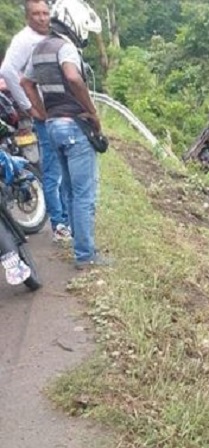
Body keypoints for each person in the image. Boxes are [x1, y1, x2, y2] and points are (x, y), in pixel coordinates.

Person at [22, 0, 107, 269]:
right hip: (74, 127)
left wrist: (41, 110)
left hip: (54, 127)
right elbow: (72, 77)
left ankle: (80, 245)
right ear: (75, 23)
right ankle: (86, 255)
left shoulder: (39, 49)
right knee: (84, 194)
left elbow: (26, 82)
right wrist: (91, 111)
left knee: (70, 190)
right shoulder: (65, 47)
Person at [0, 0, 71, 244]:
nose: (42, 18)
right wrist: (29, 107)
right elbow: (8, 71)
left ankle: (67, 219)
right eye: (36, 14)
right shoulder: (24, 40)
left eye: (45, 13)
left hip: (59, 111)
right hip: (45, 113)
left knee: (64, 167)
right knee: (53, 170)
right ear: (28, 17)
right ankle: (59, 225)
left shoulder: (49, 35)